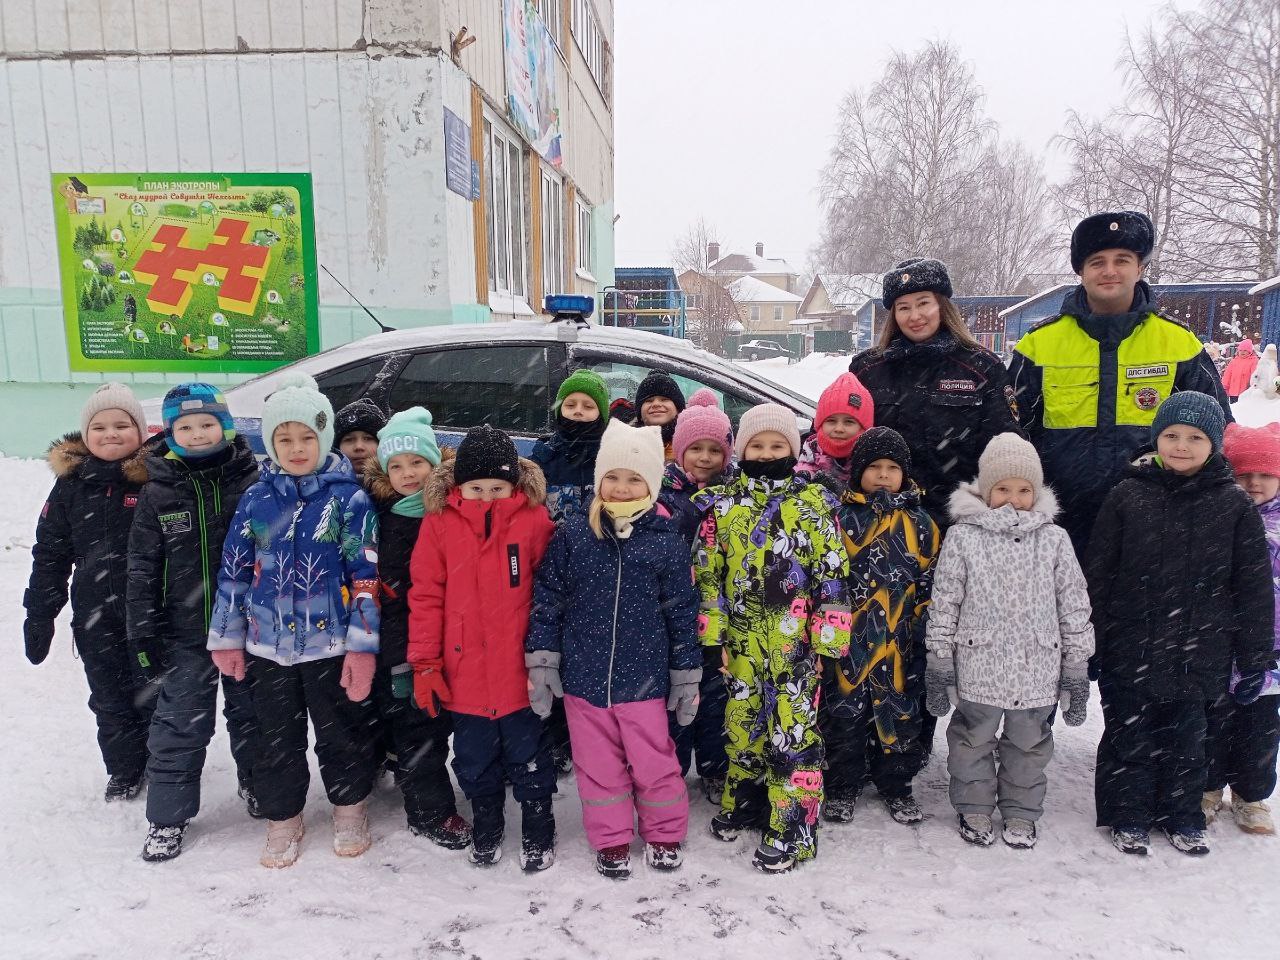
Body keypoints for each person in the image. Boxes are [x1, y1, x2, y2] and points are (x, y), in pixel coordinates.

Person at [1086, 392, 1273, 856]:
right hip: (1133, 646)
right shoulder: (1128, 495)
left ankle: (1182, 815)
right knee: (1129, 735)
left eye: (1195, 437)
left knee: (1190, 743)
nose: (1182, 446)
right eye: (1171, 435)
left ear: (1213, 445)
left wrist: (1253, 656)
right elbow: (1099, 574)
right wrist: (1091, 642)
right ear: (1156, 439)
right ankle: (1127, 814)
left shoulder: (1233, 506)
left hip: (1203, 650)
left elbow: (1252, 589)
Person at [208, 372, 382, 868]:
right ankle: (283, 817)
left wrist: (362, 648)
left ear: (324, 437)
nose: (296, 447)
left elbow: (366, 576)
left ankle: (349, 807)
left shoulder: (349, 500)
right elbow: (233, 572)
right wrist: (226, 637)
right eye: (284, 438)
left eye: (307, 437)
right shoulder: (257, 499)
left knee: (340, 731)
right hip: (268, 648)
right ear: (270, 441)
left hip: (329, 647)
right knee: (275, 738)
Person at [527, 420, 700, 879]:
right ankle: (611, 838)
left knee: (654, 763)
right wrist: (543, 659)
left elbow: (682, 611)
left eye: (634, 478)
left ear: (652, 484)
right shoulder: (575, 535)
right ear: (599, 477)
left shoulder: (665, 543)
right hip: (585, 680)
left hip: (644, 678)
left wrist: (686, 673)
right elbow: (549, 598)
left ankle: (664, 832)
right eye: (613, 476)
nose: (621, 487)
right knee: (597, 767)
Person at [1010, 211, 1231, 556]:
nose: (1109, 271)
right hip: (1060, 519)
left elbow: (1218, 431)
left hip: (1156, 514)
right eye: (1097, 262)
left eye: (1122, 260)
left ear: (1140, 268)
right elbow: (1011, 430)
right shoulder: (1039, 344)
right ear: (1080, 272)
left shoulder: (1178, 342)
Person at [694, 404, 851, 873]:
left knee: (793, 732)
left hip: (796, 648)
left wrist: (826, 646)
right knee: (742, 727)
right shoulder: (722, 506)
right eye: (756, 446)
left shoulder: (815, 505)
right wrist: (714, 637)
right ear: (741, 450)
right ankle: (745, 800)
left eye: (776, 445)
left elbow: (834, 577)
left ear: (794, 448)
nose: (766, 453)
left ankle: (793, 824)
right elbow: (708, 575)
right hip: (740, 644)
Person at [925, 433, 1094, 849]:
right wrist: (939, 657)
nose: (1013, 499)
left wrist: (1076, 664)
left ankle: (1020, 811)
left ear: (1036, 492)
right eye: (1002, 489)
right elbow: (945, 600)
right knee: (970, 743)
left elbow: (1074, 603)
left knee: (1029, 748)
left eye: (1023, 490)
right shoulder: (964, 538)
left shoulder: (1054, 540)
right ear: (985, 490)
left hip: (1037, 669)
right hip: (977, 665)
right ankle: (974, 806)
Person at [408, 425, 558, 870]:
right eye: (476, 488)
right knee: (473, 761)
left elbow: (549, 592)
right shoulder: (439, 525)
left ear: (514, 484)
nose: (487, 497)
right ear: (459, 486)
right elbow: (425, 595)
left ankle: (538, 827)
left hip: (520, 672)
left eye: (497, 487)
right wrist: (426, 663)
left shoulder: (534, 522)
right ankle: (487, 822)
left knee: (530, 759)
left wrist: (546, 657)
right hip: (464, 672)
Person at [127, 383, 263, 861]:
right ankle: (168, 818)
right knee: (180, 726)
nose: (199, 433)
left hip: (247, 631)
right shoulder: (159, 490)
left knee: (254, 718)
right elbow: (142, 566)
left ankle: (259, 785)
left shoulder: (251, 480)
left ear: (225, 427)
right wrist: (142, 630)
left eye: (208, 424)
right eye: (186, 426)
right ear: (171, 433)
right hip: (185, 634)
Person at [23, 383, 153, 802]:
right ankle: (124, 769)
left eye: (122, 424)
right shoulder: (71, 487)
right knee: (109, 696)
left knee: (156, 692)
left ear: (140, 430)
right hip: (96, 614)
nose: (111, 433)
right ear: (85, 433)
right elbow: (50, 552)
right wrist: (40, 613)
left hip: (153, 611)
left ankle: (167, 765)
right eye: (99, 426)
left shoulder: (157, 479)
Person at [362, 407, 471, 849]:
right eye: (397, 465)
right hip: (406, 642)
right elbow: (381, 593)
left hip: (459, 637)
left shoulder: (452, 508)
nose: (408, 474)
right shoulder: (379, 516)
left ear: (435, 464)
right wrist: (398, 654)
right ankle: (430, 810)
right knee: (418, 728)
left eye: (417, 463)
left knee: (456, 721)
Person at [820, 427, 939, 827]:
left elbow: (930, 580)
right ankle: (841, 784)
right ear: (858, 473)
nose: (884, 475)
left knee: (902, 715)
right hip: (850, 639)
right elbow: (827, 578)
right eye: (874, 467)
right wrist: (827, 638)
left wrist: (923, 628)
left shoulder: (922, 523)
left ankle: (896, 785)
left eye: (892, 468)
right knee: (843, 715)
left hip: (899, 640)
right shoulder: (839, 518)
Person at [848, 257, 1021, 529]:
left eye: (923, 303)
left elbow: (1006, 450)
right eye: (903, 307)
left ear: (942, 305)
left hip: (959, 524)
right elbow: (836, 437)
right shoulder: (867, 369)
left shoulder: (981, 368)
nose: (915, 316)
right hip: (879, 527)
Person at [529, 368, 612, 775]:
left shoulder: (609, 455)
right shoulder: (543, 456)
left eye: (588, 405)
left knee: (585, 654)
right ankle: (552, 737)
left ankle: (583, 736)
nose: (578, 412)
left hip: (596, 569)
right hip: (549, 568)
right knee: (549, 652)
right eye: (571, 404)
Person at [659, 389, 734, 803]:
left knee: (715, 698)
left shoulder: (732, 497)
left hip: (722, 615)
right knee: (678, 696)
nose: (704, 458)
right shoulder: (663, 498)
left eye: (714, 450)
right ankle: (672, 766)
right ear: (679, 450)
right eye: (695, 449)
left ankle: (714, 766)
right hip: (677, 613)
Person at [1205, 422, 1280, 835]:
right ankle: (1208, 786)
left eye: (1265, 473)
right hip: (1218, 642)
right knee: (1211, 721)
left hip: (1271, 648)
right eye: (1244, 473)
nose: (1253, 482)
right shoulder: (1219, 517)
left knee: (1260, 728)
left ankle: (1252, 796)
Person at [794, 373, 875, 487]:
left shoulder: (873, 460)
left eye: (849, 422)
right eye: (831, 421)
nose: (839, 429)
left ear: (863, 427)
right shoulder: (807, 458)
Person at [634, 371, 686, 460]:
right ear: (640, 414)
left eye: (664, 399)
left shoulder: (688, 442)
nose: (656, 404)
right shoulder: (628, 440)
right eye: (649, 400)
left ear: (678, 409)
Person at [333, 397, 387, 475]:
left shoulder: (405, 483)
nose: (359, 447)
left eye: (368, 438)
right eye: (349, 439)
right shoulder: (316, 485)